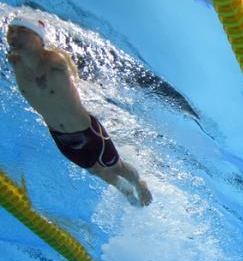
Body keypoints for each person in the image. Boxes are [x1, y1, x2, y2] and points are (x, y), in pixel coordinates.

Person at [5, 14, 152, 206]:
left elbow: (67, 63)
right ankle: (123, 190)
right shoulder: (14, 62)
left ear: (38, 38)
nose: (13, 36)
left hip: (87, 131)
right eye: (11, 31)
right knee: (96, 171)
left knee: (116, 167)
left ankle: (138, 183)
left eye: (21, 30)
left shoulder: (54, 61)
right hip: (60, 137)